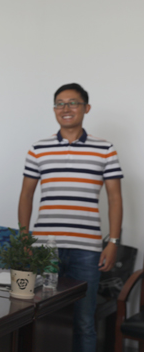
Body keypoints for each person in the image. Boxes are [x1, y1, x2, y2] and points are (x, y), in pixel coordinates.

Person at [18, 83, 123, 352]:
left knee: (84, 321)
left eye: (73, 102)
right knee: (40, 317)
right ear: (54, 109)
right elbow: (26, 195)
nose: (65, 108)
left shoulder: (105, 149)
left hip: (86, 250)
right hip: (44, 249)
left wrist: (113, 242)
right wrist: (25, 238)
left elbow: (115, 198)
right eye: (60, 103)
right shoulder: (38, 149)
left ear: (86, 108)